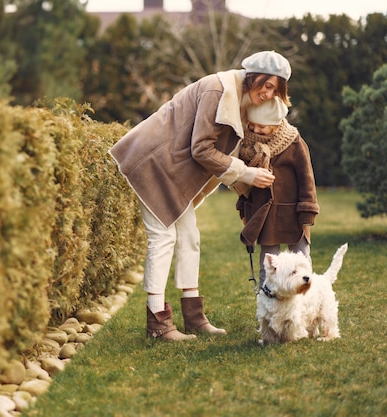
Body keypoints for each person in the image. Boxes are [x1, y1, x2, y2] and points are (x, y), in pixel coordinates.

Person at [109, 50, 291, 341]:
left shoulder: (239, 99)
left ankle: (193, 317)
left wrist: (248, 186)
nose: (268, 94)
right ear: (252, 77)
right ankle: (157, 322)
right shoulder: (217, 90)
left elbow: (225, 153)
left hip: (172, 169)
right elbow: (202, 149)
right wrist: (245, 174)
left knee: (190, 237)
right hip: (153, 161)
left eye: (275, 90)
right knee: (163, 237)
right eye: (266, 85)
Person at [236, 96, 319, 289]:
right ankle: (267, 304)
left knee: (302, 260)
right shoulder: (248, 147)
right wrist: (244, 207)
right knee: (268, 263)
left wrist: (307, 210)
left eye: (262, 127)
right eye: (252, 125)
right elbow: (244, 183)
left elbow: (307, 178)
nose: (255, 130)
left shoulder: (295, 143)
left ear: (275, 125)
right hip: (265, 214)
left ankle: (307, 301)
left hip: (293, 213)